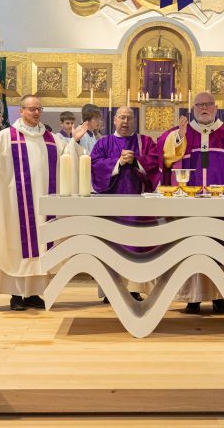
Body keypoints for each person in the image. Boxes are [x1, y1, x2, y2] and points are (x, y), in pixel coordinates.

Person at [157, 91, 224, 314]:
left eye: (208, 104)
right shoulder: (181, 133)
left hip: (222, 208)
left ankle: (222, 297)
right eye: (199, 105)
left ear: (215, 107)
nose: (204, 108)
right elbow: (165, 158)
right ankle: (192, 297)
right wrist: (180, 138)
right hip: (189, 207)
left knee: (222, 248)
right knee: (191, 248)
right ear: (193, 109)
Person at [0, 94, 69, 311]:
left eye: (39, 109)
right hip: (15, 204)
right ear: (21, 111)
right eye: (31, 109)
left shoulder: (50, 138)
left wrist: (74, 143)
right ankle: (17, 294)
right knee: (18, 244)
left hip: (43, 203)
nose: (36, 113)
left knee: (41, 244)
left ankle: (34, 294)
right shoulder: (7, 137)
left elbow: (67, 157)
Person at [91, 106, 161, 301]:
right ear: (114, 120)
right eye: (121, 117)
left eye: (129, 118)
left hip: (139, 207)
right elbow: (95, 165)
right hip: (112, 208)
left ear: (134, 120)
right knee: (112, 246)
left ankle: (133, 288)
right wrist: (118, 163)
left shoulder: (145, 142)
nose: (125, 122)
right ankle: (110, 290)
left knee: (136, 246)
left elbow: (155, 164)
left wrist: (136, 161)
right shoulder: (103, 143)